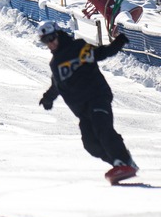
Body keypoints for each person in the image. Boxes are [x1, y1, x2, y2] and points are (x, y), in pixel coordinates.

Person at [36, 21, 138, 184]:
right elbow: (57, 83)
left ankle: (122, 159)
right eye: (46, 41)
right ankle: (120, 163)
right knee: (90, 144)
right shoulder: (55, 64)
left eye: (52, 38)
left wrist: (118, 43)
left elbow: (101, 53)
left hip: (98, 96)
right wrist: (48, 98)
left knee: (102, 128)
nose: (51, 43)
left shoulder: (78, 48)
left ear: (58, 34)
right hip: (82, 109)